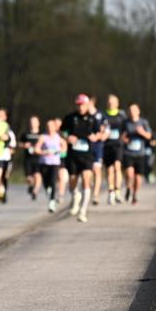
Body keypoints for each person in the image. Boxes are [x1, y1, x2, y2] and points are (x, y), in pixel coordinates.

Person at [62, 94, 102, 223]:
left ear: (87, 105)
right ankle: (76, 196)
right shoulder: (70, 118)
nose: (80, 107)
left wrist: (95, 137)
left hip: (87, 155)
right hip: (73, 155)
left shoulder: (92, 119)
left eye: (82, 104)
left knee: (86, 180)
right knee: (72, 182)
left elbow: (100, 133)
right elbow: (61, 131)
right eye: (78, 104)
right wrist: (67, 137)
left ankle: (83, 211)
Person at [121, 103, 152, 205]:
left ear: (138, 111)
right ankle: (128, 187)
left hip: (140, 154)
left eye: (134, 110)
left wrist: (142, 132)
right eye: (130, 110)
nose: (132, 112)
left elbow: (149, 136)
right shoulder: (125, 122)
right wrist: (124, 139)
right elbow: (121, 136)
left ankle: (135, 195)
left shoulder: (143, 122)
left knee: (138, 179)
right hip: (128, 153)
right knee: (129, 174)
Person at [34, 117, 66, 213]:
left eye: (51, 126)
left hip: (55, 163)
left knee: (53, 181)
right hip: (44, 162)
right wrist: (44, 152)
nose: (49, 128)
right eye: (48, 126)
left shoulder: (58, 137)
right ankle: (49, 191)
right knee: (46, 182)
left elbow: (64, 147)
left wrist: (58, 151)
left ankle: (52, 202)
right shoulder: (43, 137)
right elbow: (36, 149)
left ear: (55, 127)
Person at [101, 94, 127, 202]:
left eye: (113, 102)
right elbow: (100, 128)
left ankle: (118, 191)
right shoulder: (103, 115)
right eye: (109, 102)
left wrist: (124, 137)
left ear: (117, 103)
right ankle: (111, 191)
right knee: (109, 170)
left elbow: (126, 128)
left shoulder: (122, 115)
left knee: (117, 166)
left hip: (118, 145)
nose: (111, 104)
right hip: (107, 145)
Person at [88, 95, 106, 205]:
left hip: (97, 147)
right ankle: (88, 190)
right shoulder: (83, 115)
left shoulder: (100, 115)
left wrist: (98, 136)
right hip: (86, 147)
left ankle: (96, 194)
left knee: (97, 170)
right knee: (88, 172)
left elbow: (105, 131)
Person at [22, 116, 43, 200]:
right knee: (29, 178)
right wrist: (24, 145)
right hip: (28, 158)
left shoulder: (42, 134)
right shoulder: (25, 134)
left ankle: (35, 191)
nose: (32, 124)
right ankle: (31, 185)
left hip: (39, 158)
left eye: (34, 122)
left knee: (38, 175)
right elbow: (19, 143)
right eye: (31, 122)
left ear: (38, 123)